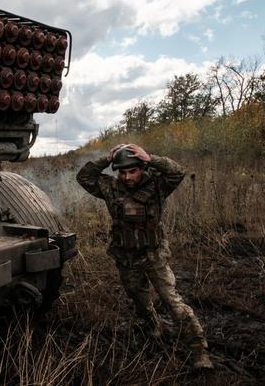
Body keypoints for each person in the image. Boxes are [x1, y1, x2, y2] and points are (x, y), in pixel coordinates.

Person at [76, 143, 212, 370]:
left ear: (142, 168)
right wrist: (106, 159)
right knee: (139, 300)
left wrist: (152, 158)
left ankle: (198, 350)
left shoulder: (157, 185)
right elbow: (84, 177)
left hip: (153, 255)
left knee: (173, 302)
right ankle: (153, 328)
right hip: (126, 257)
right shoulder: (111, 187)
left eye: (133, 171)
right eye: (123, 172)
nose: (127, 177)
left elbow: (177, 171)